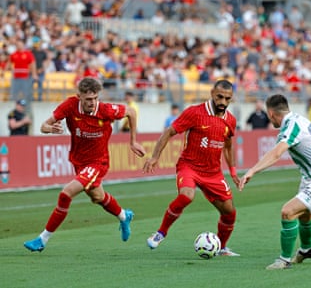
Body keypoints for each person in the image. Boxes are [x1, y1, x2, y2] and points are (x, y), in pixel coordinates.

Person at [24, 77, 146, 252]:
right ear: (79, 96)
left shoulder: (105, 110)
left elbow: (131, 112)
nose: (92, 102)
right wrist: (50, 128)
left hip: (98, 162)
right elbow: (44, 126)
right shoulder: (69, 106)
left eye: (95, 98)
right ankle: (123, 216)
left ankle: (42, 239)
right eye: (88, 99)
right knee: (97, 197)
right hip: (79, 161)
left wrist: (133, 141)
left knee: (66, 194)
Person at [238, 94, 311, 270]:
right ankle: (306, 250)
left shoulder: (290, 126)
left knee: (288, 211)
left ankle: (284, 260)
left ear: (270, 114)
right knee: (305, 214)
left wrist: (252, 171)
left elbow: (276, 153)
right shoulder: (300, 120)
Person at [143, 79, 241, 256]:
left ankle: (222, 247)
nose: (223, 102)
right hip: (190, 166)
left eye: (228, 99)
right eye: (220, 97)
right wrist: (155, 156)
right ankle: (161, 232)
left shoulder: (230, 121)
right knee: (187, 196)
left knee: (229, 212)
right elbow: (168, 132)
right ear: (212, 93)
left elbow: (228, 145)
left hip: (213, 173)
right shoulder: (195, 113)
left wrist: (233, 171)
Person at [3, 39, 37, 105]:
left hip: (25, 77)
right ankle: (15, 106)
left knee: (25, 93)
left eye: (20, 44)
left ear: (23, 45)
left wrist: (34, 74)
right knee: (15, 93)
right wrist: (4, 71)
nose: (19, 46)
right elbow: (9, 63)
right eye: (17, 45)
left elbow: (33, 64)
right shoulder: (14, 54)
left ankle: (26, 106)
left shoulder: (28, 54)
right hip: (16, 77)